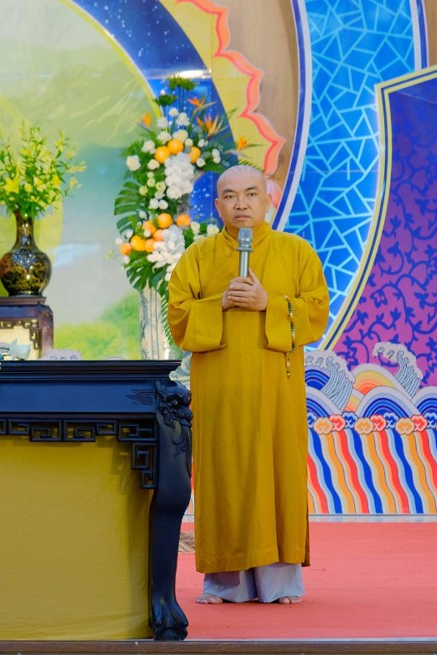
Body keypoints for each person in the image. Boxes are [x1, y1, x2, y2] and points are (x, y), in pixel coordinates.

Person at [167, 164, 330, 605]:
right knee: (226, 474)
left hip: (276, 388)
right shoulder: (199, 256)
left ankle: (280, 583)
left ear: (267, 199)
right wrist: (219, 302)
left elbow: (316, 311)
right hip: (220, 388)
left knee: (277, 473)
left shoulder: (296, 252)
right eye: (230, 196)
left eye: (251, 194)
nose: (241, 204)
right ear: (217, 205)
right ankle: (225, 582)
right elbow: (178, 317)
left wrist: (269, 304)